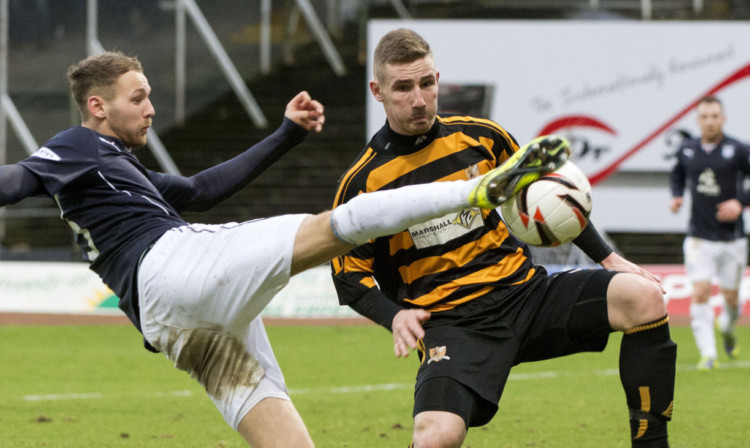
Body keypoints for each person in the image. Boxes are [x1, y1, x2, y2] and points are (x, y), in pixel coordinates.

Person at [0, 51, 528, 446]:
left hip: (177, 326)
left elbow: (201, 191)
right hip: (172, 266)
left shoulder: (111, 165)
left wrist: (286, 134)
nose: (150, 108)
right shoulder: (75, 144)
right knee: (336, 225)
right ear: (97, 106)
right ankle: (479, 189)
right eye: (137, 98)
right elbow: (17, 180)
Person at [331, 28, 676, 448]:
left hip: (525, 295)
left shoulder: (481, 136)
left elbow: (547, 194)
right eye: (403, 87)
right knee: (435, 438)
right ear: (378, 91)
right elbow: (349, 275)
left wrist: (606, 257)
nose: (419, 99)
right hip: (451, 323)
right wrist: (393, 315)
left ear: (437, 79)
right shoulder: (363, 183)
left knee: (644, 298)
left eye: (427, 83)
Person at [670, 96, 750, 370]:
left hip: (733, 238)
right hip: (699, 237)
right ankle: (708, 355)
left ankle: (727, 329)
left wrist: (741, 201)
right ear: (698, 120)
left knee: (731, 300)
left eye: (715, 116)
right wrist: (677, 195)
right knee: (701, 291)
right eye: (705, 117)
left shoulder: (738, 150)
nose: (710, 121)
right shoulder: (688, 149)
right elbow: (677, 173)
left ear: (723, 118)